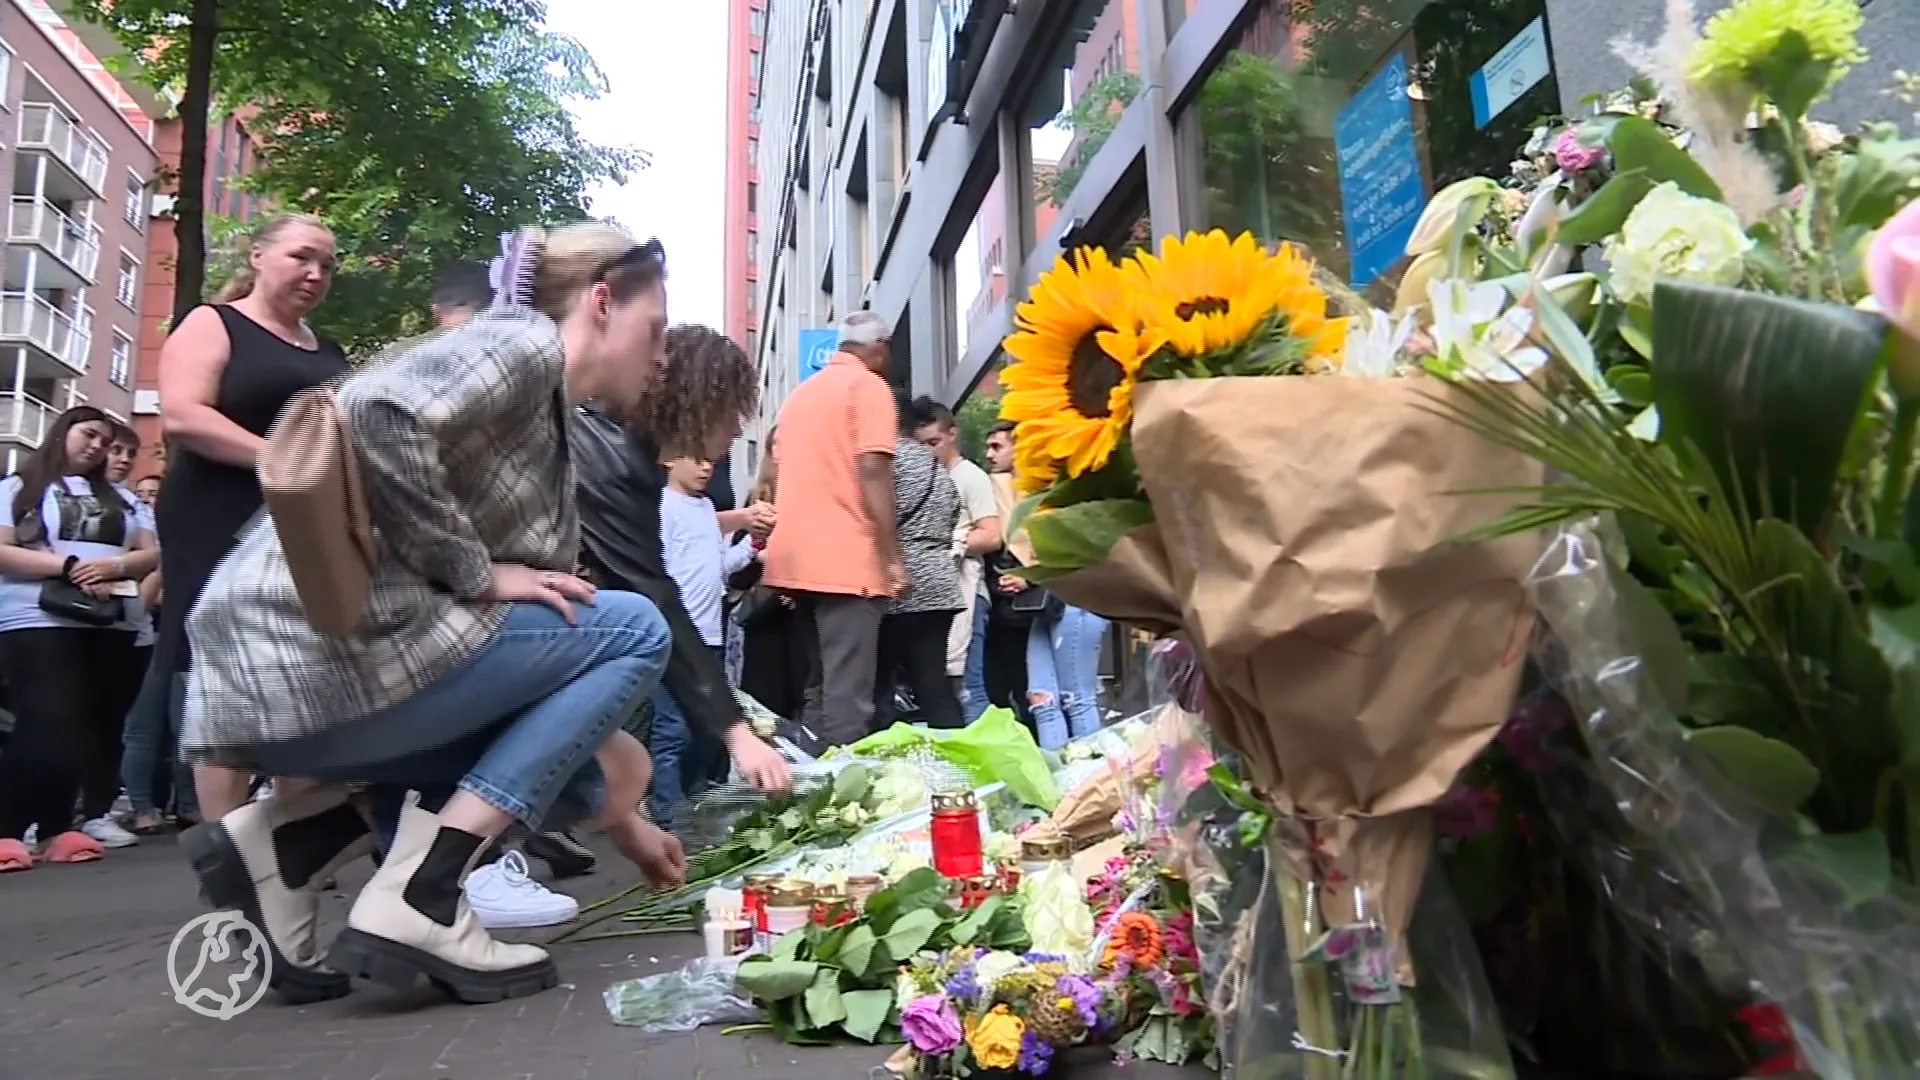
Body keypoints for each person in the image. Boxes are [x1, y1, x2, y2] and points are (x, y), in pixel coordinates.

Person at [179, 222, 702, 1006]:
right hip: (313, 660)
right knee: (633, 626)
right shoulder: (525, 343)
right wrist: (476, 570)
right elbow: (380, 413)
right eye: (654, 329)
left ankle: (289, 845)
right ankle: (424, 891)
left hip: (295, 678)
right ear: (601, 302)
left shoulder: (544, 412)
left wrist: (624, 816)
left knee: (608, 767)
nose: (661, 355)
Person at [156, 213, 350, 823]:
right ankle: (228, 848)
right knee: (227, 671)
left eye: (328, 264)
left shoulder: (330, 351)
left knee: (308, 671)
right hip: (214, 515)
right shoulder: (213, 323)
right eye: (301, 257)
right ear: (260, 256)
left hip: (299, 526)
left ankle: (293, 838)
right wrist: (279, 460)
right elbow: (184, 416)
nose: (315, 273)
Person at [569, 320, 787, 826]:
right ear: (696, 401)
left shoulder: (627, 456)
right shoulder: (614, 457)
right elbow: (654, 594)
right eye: (732, 414)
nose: (735, 432)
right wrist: (736, 733)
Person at [0, 407, 159, 871]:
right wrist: (70, 568)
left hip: (110, 619)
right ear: (63, 433)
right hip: (36, 616)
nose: (96, 447)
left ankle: (56, 827)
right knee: (45, 717)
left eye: (105, 441)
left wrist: (114, 568)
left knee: (84, 727)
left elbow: (150, 553)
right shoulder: (18, 488)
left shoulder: (127, 501)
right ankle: (8, 826)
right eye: (89, 435)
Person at [761, 311, 905, 750]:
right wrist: (893, 557)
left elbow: (776, 469)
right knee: (849, 695)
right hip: (849, 561)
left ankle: (811, 789)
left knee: (818, 688)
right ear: (879, 348)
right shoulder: (870, 388)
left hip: (795, 562)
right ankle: (843, 798)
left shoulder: (799, 397)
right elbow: (873, 468)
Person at [654, 448, 757, 817]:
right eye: (696, 456)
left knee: (707, 731)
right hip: (675, 638)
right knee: (673, 731)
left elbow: (721, 568)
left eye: (711, 458)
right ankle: (669, 815)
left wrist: (754, 546)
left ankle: (694, 808)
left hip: (711, 636)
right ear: (667, 458)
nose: (706, 464)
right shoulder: (661, 507)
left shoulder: (704, 509)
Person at [874, 388, 964, 731]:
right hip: (940, 583)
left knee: (879, 688)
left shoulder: (885, 461)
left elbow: (875, 515)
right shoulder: (935, 463)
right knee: (934, 686)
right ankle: (960, 764)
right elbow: (954, 513)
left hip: (899, 583)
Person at [910, 397, 1001, 721]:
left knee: (966, 684)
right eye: (921, 445)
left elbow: (992, 534)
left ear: (952, 434)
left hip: (967, 593)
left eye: (934, 442)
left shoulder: (970, 477)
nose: (928, 451)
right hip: (935, 594)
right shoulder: (922, 478)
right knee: (941, 684)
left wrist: (950, 544)